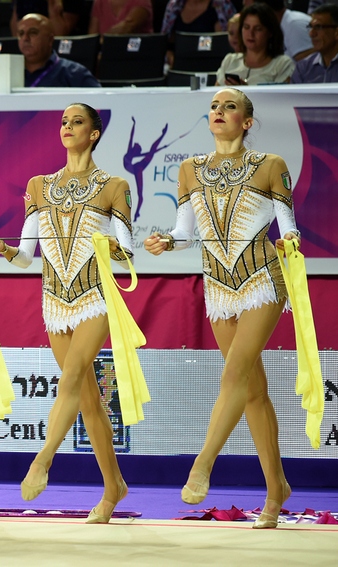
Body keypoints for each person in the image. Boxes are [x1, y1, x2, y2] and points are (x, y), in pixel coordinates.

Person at [144, 87, 300, 529]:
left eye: (229, 106)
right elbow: (184, 231)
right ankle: (277, 488)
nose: (219, 111)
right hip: (218, 285)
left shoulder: (271, 165)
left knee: (233, 374)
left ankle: (203, 463)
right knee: (251, 391)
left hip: (262, 280)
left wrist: (290, 239)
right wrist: (164, 241)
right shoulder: (190, 170)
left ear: (246, 122)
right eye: (214, 106)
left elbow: (287, 224)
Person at [0, 103, 133, 525]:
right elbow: (26, 255)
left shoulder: (114, 185)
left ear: (95, 133)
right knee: (88, 400)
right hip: (54, 300)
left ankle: (43, 459)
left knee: (70, 380)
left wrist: (106, 243)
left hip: (94, 297)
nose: (67, 127)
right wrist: (3, 248)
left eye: (77, 122)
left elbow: (126, 252)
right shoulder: (39, 185)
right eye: (64, 122)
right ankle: (113, 486)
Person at [216, 4, 295, 85]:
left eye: (258, 29)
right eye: (246, 27)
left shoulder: (282, 64)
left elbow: (281, 97)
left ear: (270, 32)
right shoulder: (229, 60)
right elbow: (213, 95)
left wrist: (245, 93)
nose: (250, 34)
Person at [18, 13, 100, 87]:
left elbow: (99, 100)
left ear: (50, 40)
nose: (25, 38)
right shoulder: (9, 72)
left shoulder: (75, 73)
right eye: (21, 33)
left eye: (33, 32)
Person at [291, 3, 338, 82]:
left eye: (318, 27)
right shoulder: (303, 68)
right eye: (310, 27)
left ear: (336, 32)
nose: (311, 34)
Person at [160, 0, 237, 35]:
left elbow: (225, 42)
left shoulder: (222, 5)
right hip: (178, 62)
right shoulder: (174, 5)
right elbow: (164, 42)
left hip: (212, 62)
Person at [88, 0, 153, 35]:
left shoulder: (142, 1)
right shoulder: (100, 2)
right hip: (105, 55)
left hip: (136, 53)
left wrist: (101, 41)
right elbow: (92, 38)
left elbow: (124, 29)